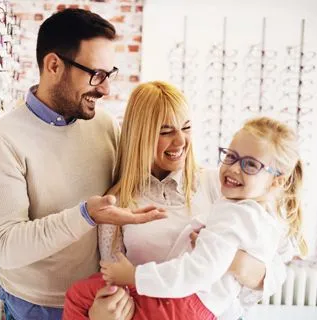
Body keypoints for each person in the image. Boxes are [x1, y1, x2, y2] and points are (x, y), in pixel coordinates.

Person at [0, 9, 166, 320]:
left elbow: (131, 194)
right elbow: (6, 247)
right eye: (96, 74)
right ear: (53, 65)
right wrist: (85, 215)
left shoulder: (104, 125)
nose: (105, 89)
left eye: (109, 74)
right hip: (38, 308)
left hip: (102, 298)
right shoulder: (0, 141)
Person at [63, 81, 297, 320]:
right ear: (140, 134)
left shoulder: (225, 186)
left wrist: (235, 262)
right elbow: (113, 279)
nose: (180, 141)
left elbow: (277, 266)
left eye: (186, 128)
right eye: (166, 131)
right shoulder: (118, 204)